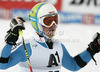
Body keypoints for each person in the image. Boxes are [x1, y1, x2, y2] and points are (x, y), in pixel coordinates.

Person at [0, 2, 100, 72]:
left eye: (55, 20)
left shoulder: (58, 46)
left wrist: (92, 49)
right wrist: (10, 41)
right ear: (37, 23)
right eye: (48, 21)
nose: (53, 25)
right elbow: (2, 65)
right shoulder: (27, 47)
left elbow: (74, 66)